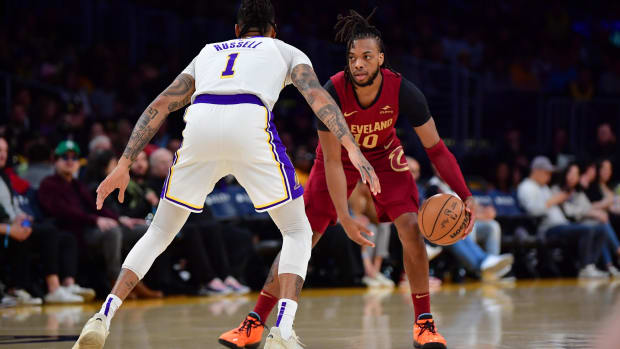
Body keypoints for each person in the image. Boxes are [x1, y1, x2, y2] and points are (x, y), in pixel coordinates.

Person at [72, 1, 377, 348]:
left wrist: (125, 162)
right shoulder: (284, 49)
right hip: (248, 118)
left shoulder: (207, 52)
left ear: (236, 30)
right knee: (296, 229)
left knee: (158, 231)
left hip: (201, 120)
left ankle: (103, 316)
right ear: (273, 30)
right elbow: (316, 96)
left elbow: (160, 105)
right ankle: (282, 331)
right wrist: (351, 146)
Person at [219, 9, 475, 349]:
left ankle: (424, 323)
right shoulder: (332, 91)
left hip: (384, 156)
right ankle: (253, 322)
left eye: (367, 57)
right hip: (338, 158)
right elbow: (334, 164)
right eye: (353, 57)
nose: (358, 64)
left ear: (381, 59)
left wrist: (465, 194)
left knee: (411, 228)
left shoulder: (404, 91)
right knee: (302, 237)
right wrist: (344, 215)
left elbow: (437, 150)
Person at [0, 137, 93, 304]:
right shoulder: (48, 183)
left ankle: (67, 284)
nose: (2, 154)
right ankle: (53, 288)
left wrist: (25, 221)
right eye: (0, 150)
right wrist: (9, 230)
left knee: (65, 237)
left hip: (15, 226)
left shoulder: (5, 178)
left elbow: (16, 210)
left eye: (5, 151)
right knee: (49, 230)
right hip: (5, 230)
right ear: (54, 160)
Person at [517, 156, 607, 278]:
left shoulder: (544, 187)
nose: (549, 176)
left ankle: (591, 265)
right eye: (546, 173)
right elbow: (533, 211)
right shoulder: (526, 187)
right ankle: (585, 268)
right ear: (536, 171)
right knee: (587, 230)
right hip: (548, 228)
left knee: (600, 229)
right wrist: (553, 200)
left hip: (563, 224)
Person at [554, 163, 620, 277]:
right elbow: (570, 212)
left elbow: (587, 206)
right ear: (565, 173)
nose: (572, 176)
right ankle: (614, 253)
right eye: (570, 172)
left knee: (601, 226)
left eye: (576, 174)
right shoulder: (557, 190)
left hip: (580, 223)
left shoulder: (578, 192)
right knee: (594, 226)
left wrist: (596, 212)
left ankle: (601, 265)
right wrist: (592, 212)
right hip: (567, 224)